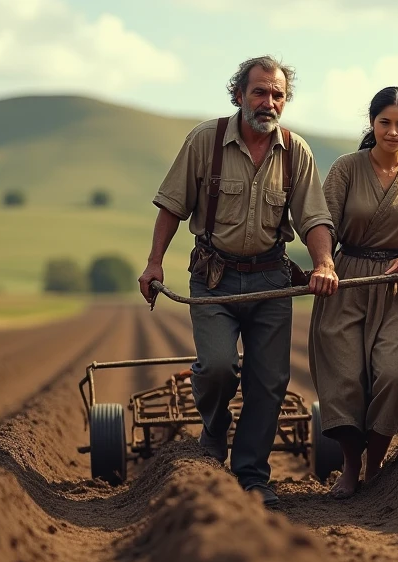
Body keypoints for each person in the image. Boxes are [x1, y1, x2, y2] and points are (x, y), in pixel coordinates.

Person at [137, 55, 339, 509]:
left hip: (271, 277)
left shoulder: (295, 152)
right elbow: (172, 205)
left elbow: (314, 218)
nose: (268, 102)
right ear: (239, 95)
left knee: (268, 381)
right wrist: (155, 263)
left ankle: (252, 473)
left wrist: (324, 262)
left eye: (278, 95)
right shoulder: (205, 141)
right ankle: (213, 433)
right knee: (218, 367)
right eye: (260, 92)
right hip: (215, 277)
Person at [308, 86, 398, 499]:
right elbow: (322, 222)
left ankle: (376, 465)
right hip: (346, 280)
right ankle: (350, 468)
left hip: (396, 283)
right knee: (346, 377)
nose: (393, 131)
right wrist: (325, 264)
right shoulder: (347, 168)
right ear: (372, 123)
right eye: (385, 122)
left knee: (393, 373)